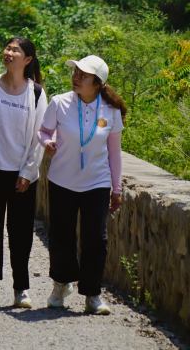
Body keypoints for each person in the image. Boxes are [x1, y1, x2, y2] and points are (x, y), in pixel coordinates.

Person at [38, 54, 126, 316]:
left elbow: (115, 152)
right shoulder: (60, 103)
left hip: (96, 183)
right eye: (75, 72)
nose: (76, 77)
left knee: (95, 240)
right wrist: (47, 143)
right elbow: (43, 131)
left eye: (83, 75)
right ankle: (60, 285)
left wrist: (117, 188)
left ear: (97, 82)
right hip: (62, 180)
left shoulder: (110, 111)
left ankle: (92, 294)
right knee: (61, 236)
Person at [0, 37, 48, 310]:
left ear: (27, 59)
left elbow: (40, 136)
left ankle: (21, 289)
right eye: (7, 48)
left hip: (21, 175)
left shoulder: (37, 93)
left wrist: (28, 172)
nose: (8, 53)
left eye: (15, 50)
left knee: (20, 234)